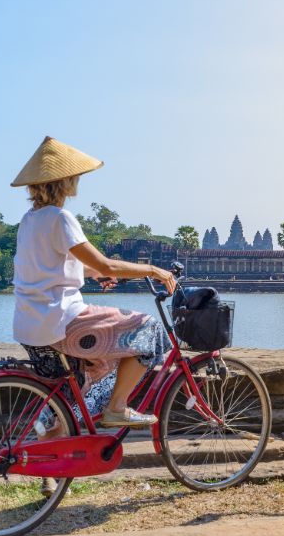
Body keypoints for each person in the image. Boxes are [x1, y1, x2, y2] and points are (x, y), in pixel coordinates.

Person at [10, 136, 177, 494]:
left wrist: (94, 274)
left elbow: (53, 267)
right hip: (61, 320)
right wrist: (152, 270)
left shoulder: (29, 221)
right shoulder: (60, 218)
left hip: (29, 325)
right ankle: (118, 406)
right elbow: (102, 261)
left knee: (80, 388)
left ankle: (50, 469)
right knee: (149, 331)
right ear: (65, 182)